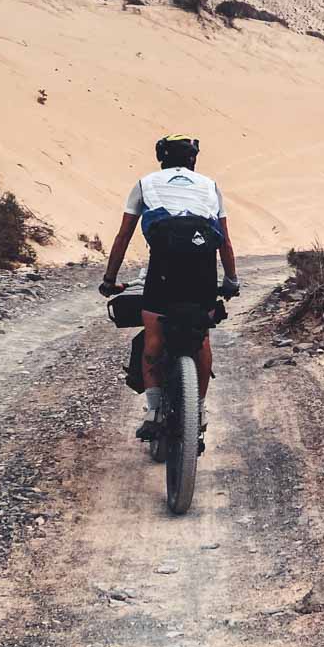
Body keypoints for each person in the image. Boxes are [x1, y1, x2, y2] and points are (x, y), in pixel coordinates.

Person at [98, 135, 239, 442]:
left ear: (162, 158)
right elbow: (225, 241)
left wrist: (110, 280)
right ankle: (198, 411)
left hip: (163, 268)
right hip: (202, 268)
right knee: (201, 337)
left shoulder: (145, 183)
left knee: (155, 334)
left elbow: (123, 237)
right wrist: (231, 280)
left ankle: (152, 411)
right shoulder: (210, 186)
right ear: (193, 159)